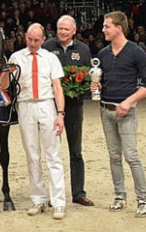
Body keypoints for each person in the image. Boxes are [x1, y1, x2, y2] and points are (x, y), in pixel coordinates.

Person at [91, 11, 146, 217]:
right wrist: (96, 86)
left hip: (126, 112)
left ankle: (143, 200)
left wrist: (129, 101)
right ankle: (120, 196)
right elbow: (100, 80)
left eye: (106, 26)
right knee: (114, 156)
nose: (103, 30)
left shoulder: (136, 52)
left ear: (119, 28)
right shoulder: (102, 54)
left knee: (131, 156)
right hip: (105, 110)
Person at [8, 23, 66, 220]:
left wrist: (60, 113)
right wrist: (2, 73)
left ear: (43, 39)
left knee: (53, 155)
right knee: (32, 155)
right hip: (25, 106)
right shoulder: (15, 58)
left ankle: (58, 202)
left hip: (46, 104)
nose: (32, 43)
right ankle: (38, 199)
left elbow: (57, 87)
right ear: (25, 37)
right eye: (29, 39)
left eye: (36, 40)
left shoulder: (51, 58)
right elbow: (6, 85)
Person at [43, 15, 94, 206]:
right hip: (50, 106)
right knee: (52, 152)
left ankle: (78, 193)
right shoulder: (47, 47)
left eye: (66, 29)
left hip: (74, 106)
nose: (63, 32)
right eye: (60, 29)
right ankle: (55, 194)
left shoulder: (82, 49)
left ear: (74, 30)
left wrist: (83, 87)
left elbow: (89, 75)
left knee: (76, 150)